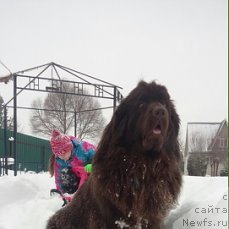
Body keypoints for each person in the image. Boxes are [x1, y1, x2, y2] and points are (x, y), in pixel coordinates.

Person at [49, 128, 96, 203]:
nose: (62, 157)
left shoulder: (85, 148)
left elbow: (101, 159)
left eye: (63, 153)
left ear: (69, 148)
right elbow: (58, 178)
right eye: (59, 155)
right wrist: (60, 193)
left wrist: (94, 165)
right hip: (76, 180)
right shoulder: (59, 160)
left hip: (89, 176)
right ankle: (70, 198)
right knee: (65, 173)